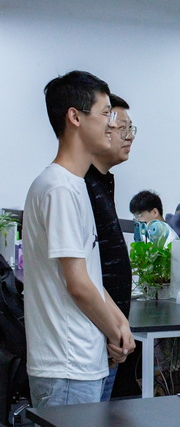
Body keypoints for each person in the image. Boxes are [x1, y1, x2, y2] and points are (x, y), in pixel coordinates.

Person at [23, 71, 134, 407]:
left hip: (80, 363)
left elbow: (89, 277)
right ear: (75, 117)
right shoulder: (59, 188)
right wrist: (115, 333)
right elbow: (78, 285)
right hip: (67, 365)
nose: (112, 126)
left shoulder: (74, 184)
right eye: (105, 114)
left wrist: (119, 323)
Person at [84, 93, 137, 402]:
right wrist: (113, 330)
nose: (129, 136)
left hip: (108, 337)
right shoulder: (81, 186)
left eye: (132, 128)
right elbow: (82, 278)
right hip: (95, 338)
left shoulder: (101, 183)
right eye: (122, 127)